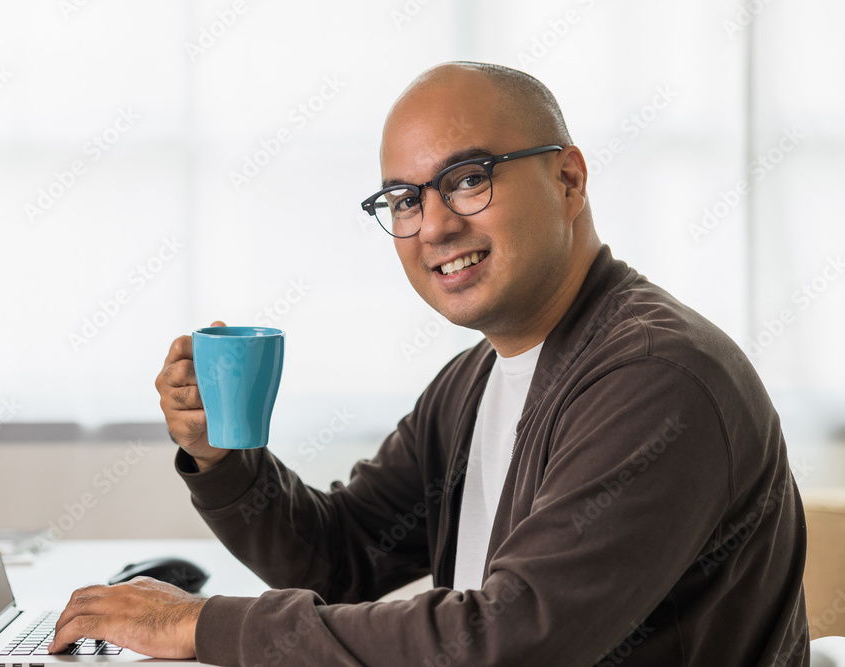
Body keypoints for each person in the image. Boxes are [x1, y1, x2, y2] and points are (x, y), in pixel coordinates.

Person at [48, 62, 809, 666]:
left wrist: (202, 626)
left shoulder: (656, 377)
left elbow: (509, 640)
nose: (434, 224)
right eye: (404, 199)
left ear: (568, 179)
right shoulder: (478, 378)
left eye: (469, 178)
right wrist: (220, 457)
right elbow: (341, 558)